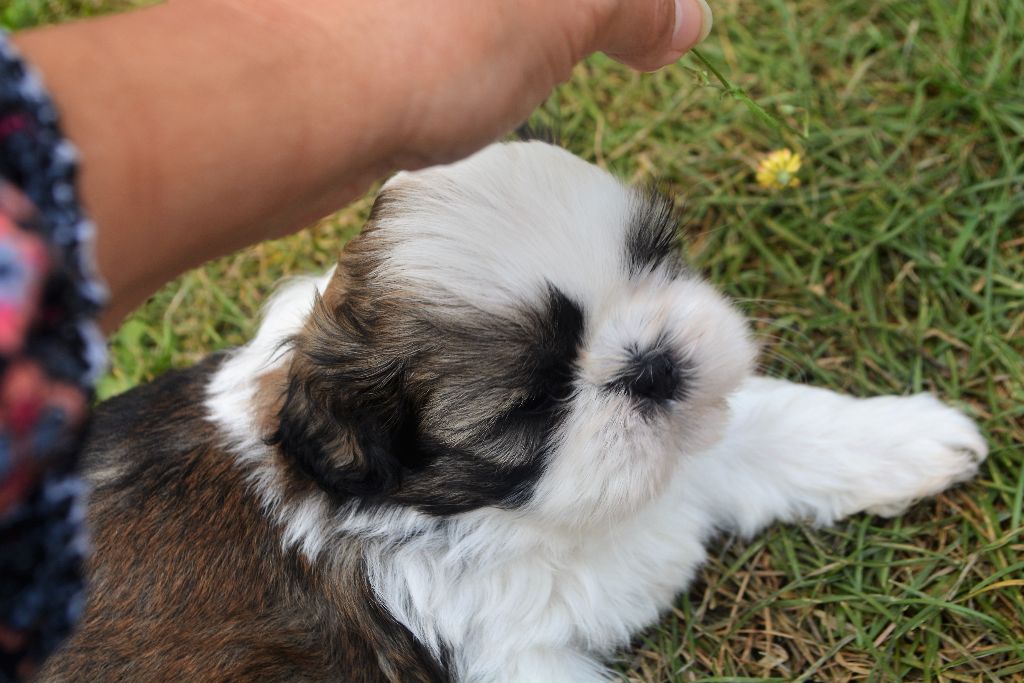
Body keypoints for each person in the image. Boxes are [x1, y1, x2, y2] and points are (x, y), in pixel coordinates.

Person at [0, 0, 712, 678]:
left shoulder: (405, 382)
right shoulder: (467, 594)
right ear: (370, 461)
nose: (652, 359)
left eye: (652, 260)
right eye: (533, 403)